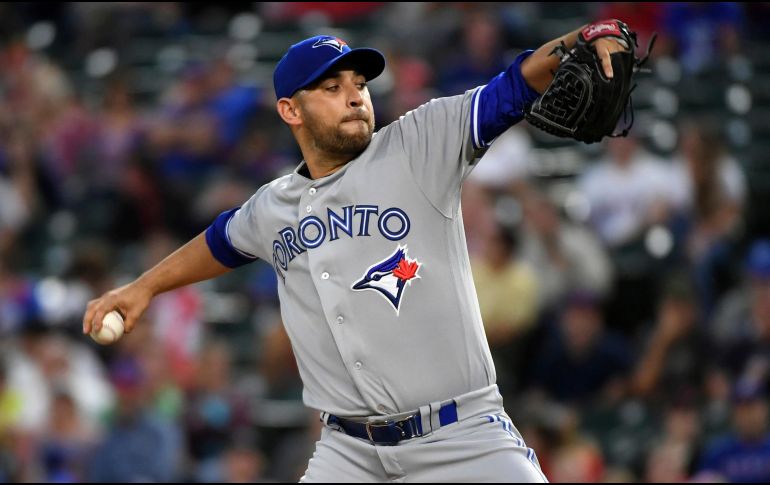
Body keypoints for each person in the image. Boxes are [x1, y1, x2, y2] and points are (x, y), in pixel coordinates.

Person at [83, 25, 629, 482]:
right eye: (331, 86)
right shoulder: (274, 207)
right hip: (348, 452)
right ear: (290, 110)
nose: (354, 95)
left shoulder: (420, 144)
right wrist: (142, 288)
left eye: (359, 83)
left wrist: (584, 36)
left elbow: (511, 88)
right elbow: (221, 242)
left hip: (462, 437)